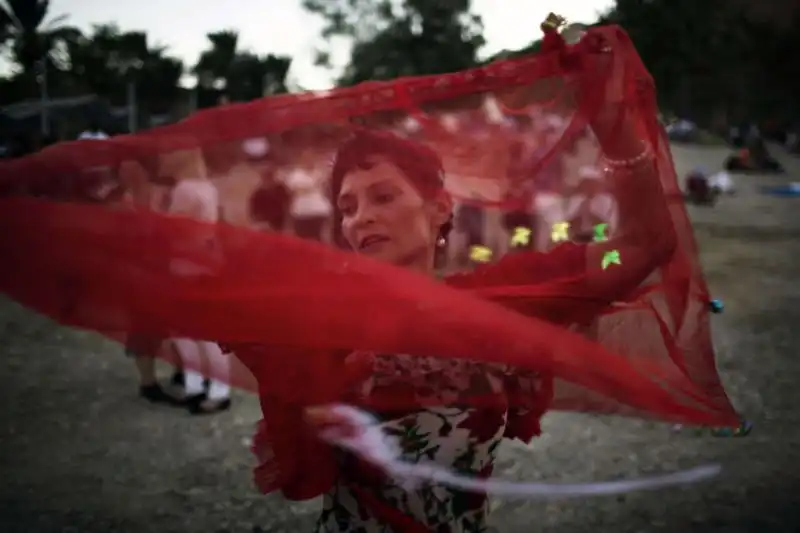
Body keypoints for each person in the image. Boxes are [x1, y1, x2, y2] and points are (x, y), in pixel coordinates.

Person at [251, 82, 676, 529]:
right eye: (348, 206)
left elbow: (640, 246)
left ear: (439, 208)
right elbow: (303, 477)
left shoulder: (502, 301)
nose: (362, 217)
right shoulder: (326, 322)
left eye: (383, 196)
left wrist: (614, 126)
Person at [164, 147, 233, 414]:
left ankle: (205, 388)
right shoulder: (207, 187)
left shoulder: (185, 188)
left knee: (190, 333)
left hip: (186, 264)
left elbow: (173, 226)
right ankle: (210, 387)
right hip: (204, 262)